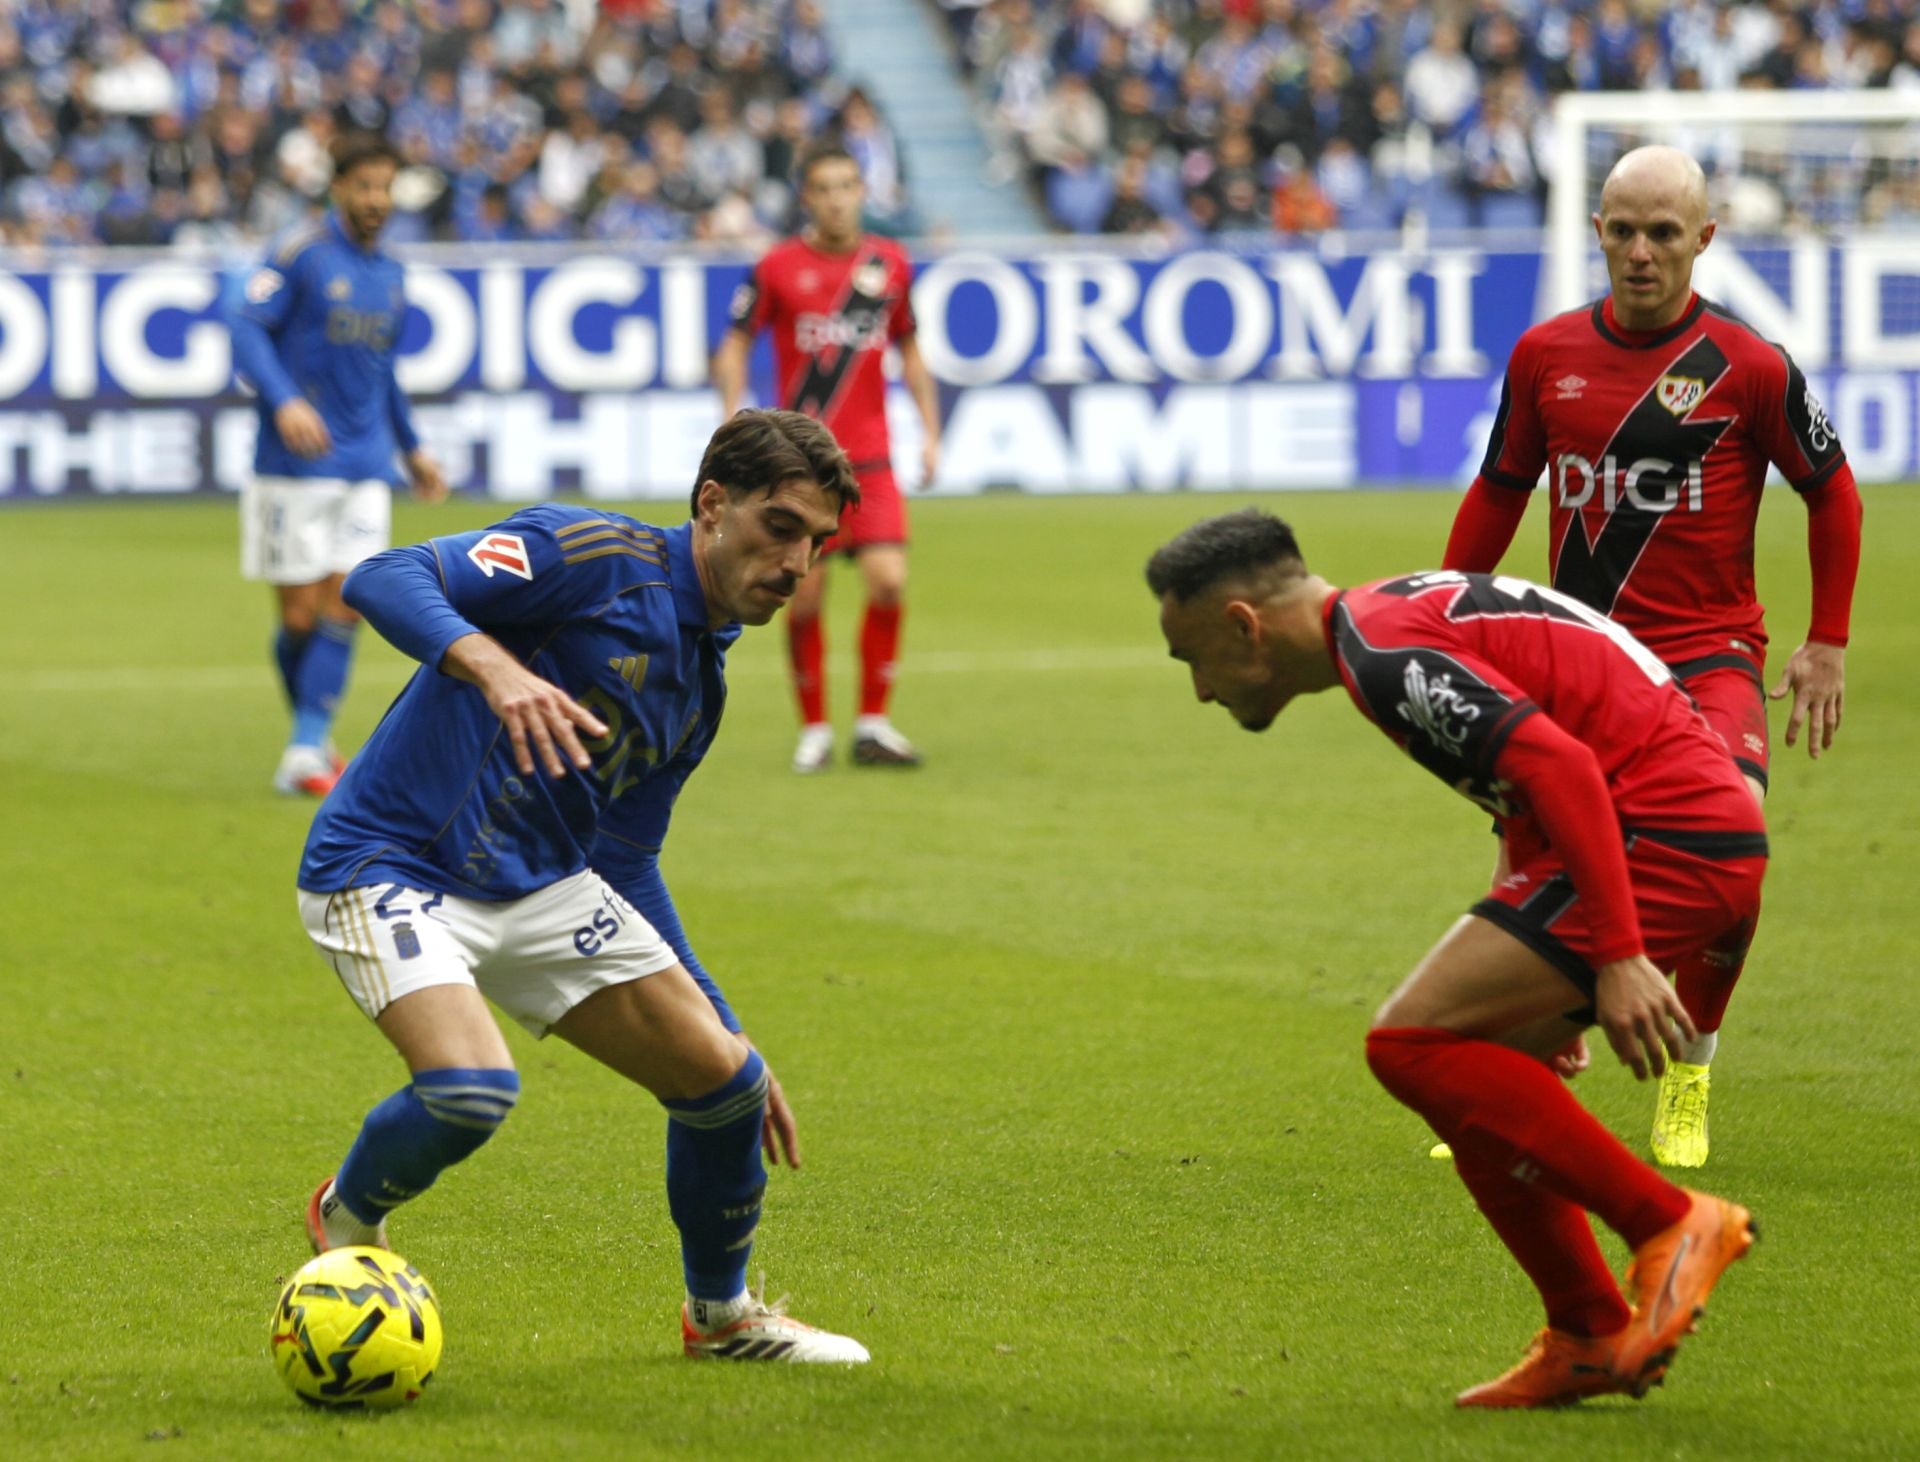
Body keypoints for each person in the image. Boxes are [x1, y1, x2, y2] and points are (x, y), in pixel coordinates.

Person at [1148, 510, 1761, 1409]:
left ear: (1243, 624)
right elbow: (1524, 788)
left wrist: (1619, 956)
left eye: (1192, 659)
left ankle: (1671, 1223)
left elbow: (1562, 769)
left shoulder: (1384, 654)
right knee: (1471, 1074)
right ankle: (1588, 1333)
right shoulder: (1382, 626)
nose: (1202, 690)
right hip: (1673, 826)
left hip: (1665, 835)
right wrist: (1529, 976)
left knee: (1409, 1044)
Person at [294, 409, 871, 1364]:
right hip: (388, 861)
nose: (796, 564)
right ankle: (346, 1215)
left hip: (540, 886)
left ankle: (721, 1318)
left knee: (728, 1086)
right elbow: (382, 576)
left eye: (817, 543)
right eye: (780, 527)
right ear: (712, 504)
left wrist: (727, 1026)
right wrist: (491, 666)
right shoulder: (592, 555)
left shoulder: (698, 686)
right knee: (470, 1091)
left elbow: (626, 859)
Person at [1441, 144, 1863, 1166]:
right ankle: (1521, 1074)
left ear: (1703, 239)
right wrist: (1445, 611)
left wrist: (1828, 640)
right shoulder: (1544, 355)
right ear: (1596, 231)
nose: (1640, 252)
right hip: (1577, 659)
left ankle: (1690, 1069)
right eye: (1623, 230)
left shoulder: (1749, 366)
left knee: (1734, 859)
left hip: (1708, 659)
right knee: (1533, 873)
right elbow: (1500, 488)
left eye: (1663, 233)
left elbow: (1833, 492)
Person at [231, 130, 449, 799]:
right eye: (365, 186)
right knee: (299, 619)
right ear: (338, 189)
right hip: (294, 464)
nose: (377, 199)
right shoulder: (299, 252)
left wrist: (412, 448)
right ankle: (312, 735)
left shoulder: (393, 275)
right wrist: (286, 401)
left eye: (385, 187)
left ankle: (303, 750)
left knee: (348, 602)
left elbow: (383, 372)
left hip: (366, 463)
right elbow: (246, 326)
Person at [712, 142, 942, 773]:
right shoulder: (777, 267)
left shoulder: (889, 264)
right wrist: (730, 414)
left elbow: (910, 349)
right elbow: (735, 343)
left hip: (872, 459)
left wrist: (930, 432)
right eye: (825, 188)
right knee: (805, 596)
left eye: (847, 186)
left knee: (889, 581)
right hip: (800, 465)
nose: (837, 199)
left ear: (862, 192)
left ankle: (872, 723)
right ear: (806, 197)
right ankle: (814, 730)